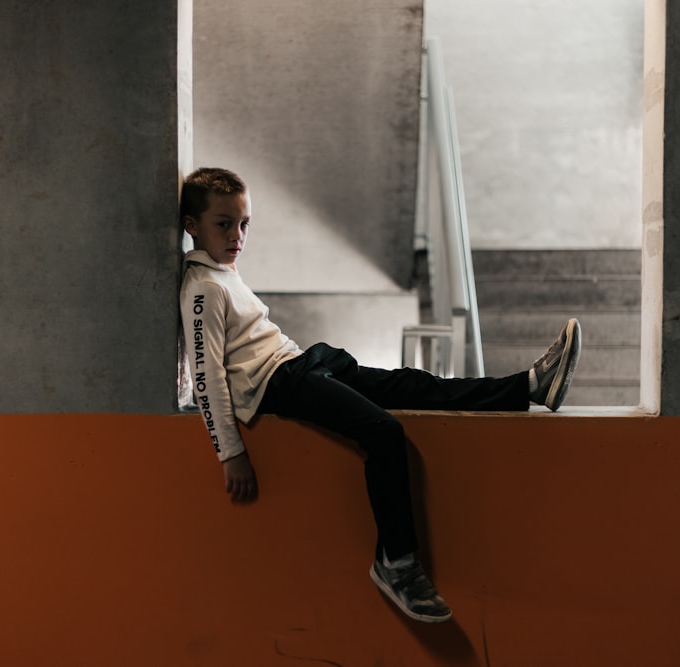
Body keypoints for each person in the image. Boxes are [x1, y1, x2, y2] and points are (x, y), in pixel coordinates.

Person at [179, 167, 581, 624]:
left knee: (410, 383)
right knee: (384, 432)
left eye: (244, 223)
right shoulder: (204, 289)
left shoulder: (224, 274)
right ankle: (395, 563)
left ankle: (528, 386)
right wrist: (230, 454)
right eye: (224, 224)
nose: (238, 235)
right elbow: (206, 376)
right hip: (278, 383)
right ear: (192, 226)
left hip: (300, 363)